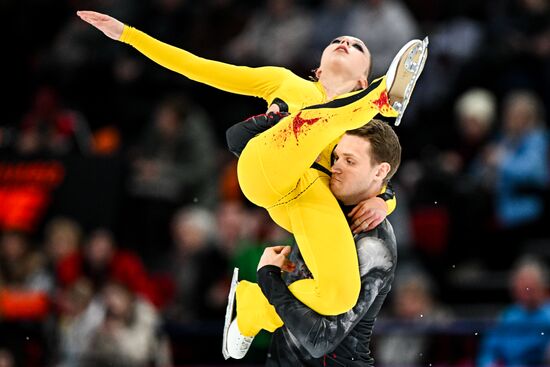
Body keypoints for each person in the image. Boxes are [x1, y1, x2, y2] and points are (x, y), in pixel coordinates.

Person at [76, 9, 427, 357]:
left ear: (361, 81)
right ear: (318, 68)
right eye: (338, 39)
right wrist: (129, 34)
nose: (344, 42)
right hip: (267, 163)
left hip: (303, 198)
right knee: (307, 122)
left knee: (340, 296)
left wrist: (385, 202)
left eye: (355, 46)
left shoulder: (363, 132)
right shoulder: (286, 83)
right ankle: (386, 97)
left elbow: (377, 174)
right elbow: (199, 68)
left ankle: (255, 308)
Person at [253, 119, 401, 365]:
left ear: (380, 172)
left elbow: (320, 339)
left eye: (350, 161)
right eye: (336, 158)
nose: (335, 168)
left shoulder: (374, 244)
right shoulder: (327, 203)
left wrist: (268, 279)